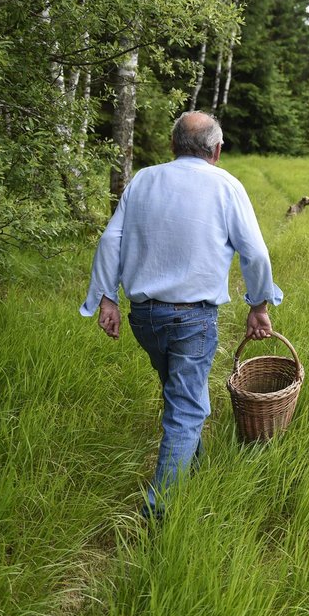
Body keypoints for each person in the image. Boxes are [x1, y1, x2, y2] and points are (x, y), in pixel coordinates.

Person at [80, 111, 283, 519]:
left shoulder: (144, 179)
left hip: (144, 319)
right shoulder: (227, 185)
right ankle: (159, 510)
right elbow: (256, 253)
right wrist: (258, 306)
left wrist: (106, 300)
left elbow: (109, 239)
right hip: (193, 319)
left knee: (181, 395)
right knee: (188, 407)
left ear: (173, 146)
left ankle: (198, 467)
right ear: (217, 150)